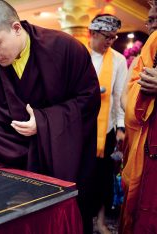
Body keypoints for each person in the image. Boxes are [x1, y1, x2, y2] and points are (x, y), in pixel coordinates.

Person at [0, 0, 101, 233]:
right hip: (16, 168)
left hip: (57, 161)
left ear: (16, 28)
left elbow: (89, 100)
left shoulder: (66, 49)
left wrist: (45, 121)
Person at [88, 14, 127, 234]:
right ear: (92, 33)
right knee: (82, 177)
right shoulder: (79, 55)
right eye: (106, 37)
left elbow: (119, 96)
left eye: (113, 37)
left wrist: (120, 127)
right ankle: (82, 219)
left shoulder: (119, 60)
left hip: (107, 130)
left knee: (103, 178)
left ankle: (101, 222)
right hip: (81, 130)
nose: (110, 42)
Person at [120, 1, 157, 233]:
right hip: (146, 147)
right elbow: (125, 100)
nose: (151, 25)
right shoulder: (146, 53)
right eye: (149, 20)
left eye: (155, 19)